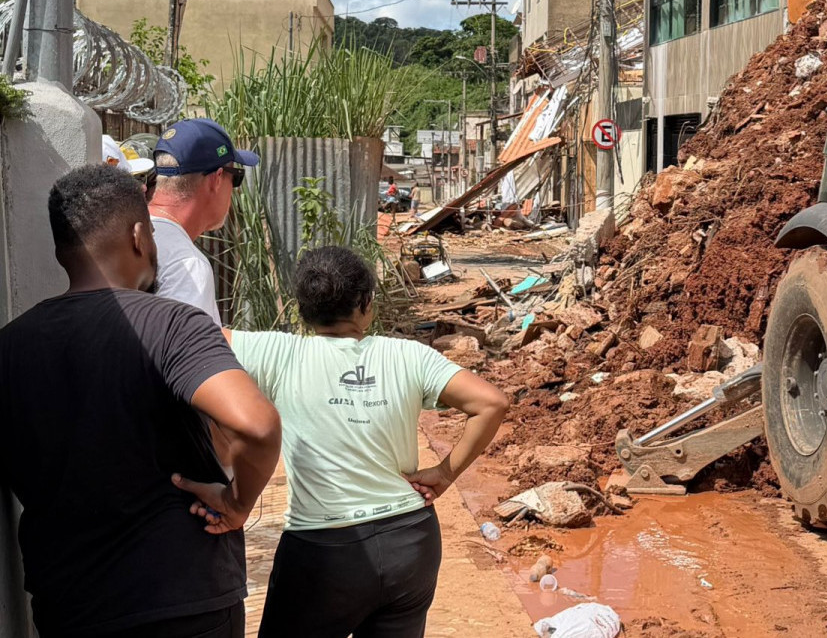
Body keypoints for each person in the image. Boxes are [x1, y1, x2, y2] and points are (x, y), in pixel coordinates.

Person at [0, 164, 282, 637]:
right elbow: (257, 426)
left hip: (69, 605)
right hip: (183, 599)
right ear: (138, 236)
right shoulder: (171, 325)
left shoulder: (9, 346)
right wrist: (237, 502)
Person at [227, 246, 508, 638]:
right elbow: (491, 403)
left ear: (302, 308)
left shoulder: (277, 353)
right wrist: (445, 473)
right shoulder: (409, 355)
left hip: (324, 552)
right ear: (366, 304)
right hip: (411, 542)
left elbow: (188, 337)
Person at [150, 117, 259, 325]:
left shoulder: (128, 228)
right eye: (236, 177)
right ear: (217, 179)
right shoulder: (186, 266)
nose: (235, 192)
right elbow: (187, 355)